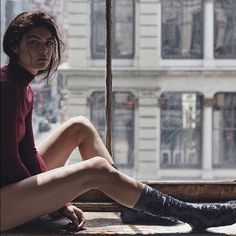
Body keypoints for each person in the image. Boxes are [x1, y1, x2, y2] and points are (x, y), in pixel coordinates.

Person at [0, 10, 235, 233]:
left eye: (49, 43)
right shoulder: (7, 87)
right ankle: (192, 213)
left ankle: (130, 206)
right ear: (14, 46)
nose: (44, 50)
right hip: (4, 205)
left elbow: (28, 152)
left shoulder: (22, 86)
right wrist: (56, 204)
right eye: (34, 42)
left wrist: (53, 197)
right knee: (95, 169)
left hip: (11, 192)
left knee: (79, 126)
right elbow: (9, 164)